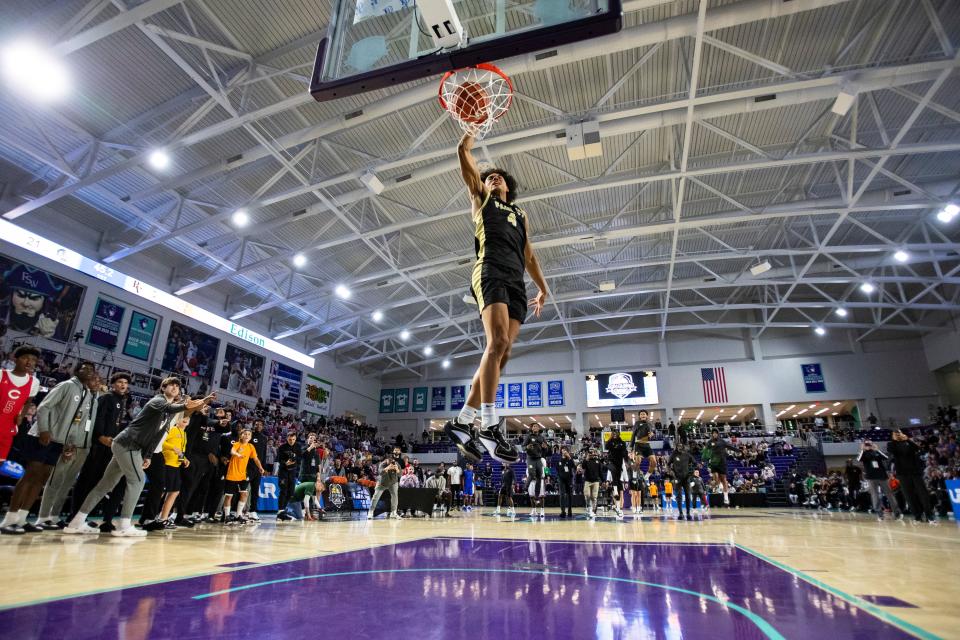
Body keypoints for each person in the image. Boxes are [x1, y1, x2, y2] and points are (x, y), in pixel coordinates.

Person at [443, 132, 548, 464]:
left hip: (517, 283)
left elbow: (529, 256)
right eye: (488, 177)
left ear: (507, 185)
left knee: (501, 355)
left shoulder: (520, 213)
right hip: (489, 270)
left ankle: (461, 423)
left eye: (497, 176)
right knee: (497, 340)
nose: (493, 178)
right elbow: (463, 155)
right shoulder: (481, 200)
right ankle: (488, 423)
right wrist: (468, 136)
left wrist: (543, 287)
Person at [64, 378, 214, 537]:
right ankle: (124, 525)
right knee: (137, 481)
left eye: (178, 386)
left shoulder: (168, 413)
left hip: (129, 446)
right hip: (129, 444)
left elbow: (157, 435)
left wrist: (148, 455)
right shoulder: (157, 401)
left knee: (105, 484)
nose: (175, 388)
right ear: (163, 387)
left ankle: (76, 522)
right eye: (172, 385)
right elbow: (173, 408)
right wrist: (197, 402)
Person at [1, 361, 99, 535]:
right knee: (30, 476)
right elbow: (44, 407)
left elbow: (76, 421)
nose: (89, 372)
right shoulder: (66, 385)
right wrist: (44, 430)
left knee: (41, 479)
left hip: (60, 442)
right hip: (43, 437)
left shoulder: (85, 392)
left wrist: (70, 443)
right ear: (76, 371)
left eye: (92, 370)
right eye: (85, 368)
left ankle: (22, 519)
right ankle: (9, 519)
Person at [69, 370, 131, 532]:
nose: (123, 385)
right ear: (112, 384)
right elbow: (98, 418)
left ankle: (91, 518)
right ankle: (74, 516)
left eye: (125, 383)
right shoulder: (107, 398)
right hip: (99, 445)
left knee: (102, 483)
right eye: (119, 382)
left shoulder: (122, 401)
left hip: (111, 447)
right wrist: (100, 436)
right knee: (87, 481)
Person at [887, 429, 937, 525]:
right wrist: (894, 439)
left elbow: (917, 448)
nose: (898, 435)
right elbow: (891, 450)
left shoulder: (908, 442)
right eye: (895, 434)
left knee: (923, 494)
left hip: (915, 472)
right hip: (902, 474)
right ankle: (917, 516)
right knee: (909, 496)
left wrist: (908, 439)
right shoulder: (891, 444)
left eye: (899, 433)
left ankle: (929, 516)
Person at [0, 346, 40, 465]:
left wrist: (21, 416)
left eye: (33, 360)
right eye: (25, 358)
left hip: (8, 427)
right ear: (15, 359)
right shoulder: (1, 374)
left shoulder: (34, 382)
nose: (29, 362)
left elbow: (28, 402)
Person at [222, 428, 265, 524]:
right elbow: (232, 451)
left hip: (242, 474)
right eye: (245, 434)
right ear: (241, 435)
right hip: (232, 473)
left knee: (244, 494)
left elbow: (256, 459)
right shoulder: (237, 444)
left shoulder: (251, 446)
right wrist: (237, 454)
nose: (247, 436)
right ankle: (227, 516)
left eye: (249, 434)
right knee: (229, 496)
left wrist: (260, 467)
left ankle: (238, 515)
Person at [156, 413, 190, 528]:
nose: (185, 419)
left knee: (175, 492)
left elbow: (180, 450)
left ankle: (163, 518)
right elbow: (162, 442)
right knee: (161, 492)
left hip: (176, 466)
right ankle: (151, 517)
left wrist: (185, 459)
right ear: (177, 420)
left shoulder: (184, 433)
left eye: (187, 418)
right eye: (182, 418)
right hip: (167, 464)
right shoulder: (173, 429)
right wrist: (172, 448)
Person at [857, 440, 901, 522]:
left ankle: (897, 513)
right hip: (871, 478)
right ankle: (880, 514)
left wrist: (878, 450)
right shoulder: (863, 454)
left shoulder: (876, 452)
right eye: (866, 444)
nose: (868, 446)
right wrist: (862, 449)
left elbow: (886, 457)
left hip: (882, 477)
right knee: (875, 496)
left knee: (890, 495)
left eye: (869, 444)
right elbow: (859, 459)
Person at [703, 429, 736, 506]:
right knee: (716, 478)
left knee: (724, 479)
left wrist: (738, 450)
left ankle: (726, 497)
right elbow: (705, 451)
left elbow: (729, 446)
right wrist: (704, 459)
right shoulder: (710, 442)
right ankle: (719, 485)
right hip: (714, 462)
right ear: (712, 434)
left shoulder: (722, 441)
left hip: (722, 462)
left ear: (718, 434)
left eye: (715, 433)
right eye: (713, 433)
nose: (714, 434)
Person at [368, 450, 401, 520]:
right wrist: (387, 468)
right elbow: (380, 473)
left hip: (393, 482)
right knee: (376, 496)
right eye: (389, 461)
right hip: (382, 483)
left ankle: (393, 513)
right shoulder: (382, 464)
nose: (391, 462)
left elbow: (400, 474)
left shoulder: (396, 464)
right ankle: (370, 512)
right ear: (386, 460)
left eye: (392, 460)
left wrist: (397, 469)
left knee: (395, 496)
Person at [245, 418, 268, 521]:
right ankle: (238, 511)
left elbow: (264, 454)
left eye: (260, 425)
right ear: (253, 425)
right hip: (247, 467)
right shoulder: (249, 435)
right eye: (256, 424)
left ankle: (252, 511)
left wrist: (263, 468)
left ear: (262, 427)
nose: (258, 426)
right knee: (243, 490)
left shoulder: (264, 438)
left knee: (255, 491)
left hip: (258, 469)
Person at [275, 431, 301, 521]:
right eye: (290, 439)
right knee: (283, 491)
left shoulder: (298, 446)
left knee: (291, 493)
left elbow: (300, 458)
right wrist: (285, 463)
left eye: (293, 439)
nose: (292, 441)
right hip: (283, 472)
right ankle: (280, 513)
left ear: (295, 439)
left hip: (292, 473)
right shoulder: (282, 447)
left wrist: (295, 458)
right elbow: (278, 459)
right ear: (287, 438)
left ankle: (283, 512)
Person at [523, 423, 547, 516]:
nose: (535, 427)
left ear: (539, 428)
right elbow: (523, 446)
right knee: (531, 475)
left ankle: (541, 509)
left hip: (538, 460)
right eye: (533, 426)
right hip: (531, 459)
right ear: (531, 428)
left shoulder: (541, 438)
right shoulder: (528, 436)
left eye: (537, 426)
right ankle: (525, 489)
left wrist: (545, 448)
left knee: (539, 478)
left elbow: (546, 451)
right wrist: (526, 448)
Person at [604, 425, 627, 520]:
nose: (615, 434)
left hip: (618, 467)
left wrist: (626, 481)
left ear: (619, 434)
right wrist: (607, 480)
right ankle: (615, 491)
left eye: (616, 433)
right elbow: (606, 447)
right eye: (613, 433)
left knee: (618, 492)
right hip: (611, 462)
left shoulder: (622, 443)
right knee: (612, 470)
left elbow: (624, 454)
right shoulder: (610, 442)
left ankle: (618, 509)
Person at [668, 445, 695, 520]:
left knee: (688, 496)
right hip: (677, 479)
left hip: (686, 479)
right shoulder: (673, 455)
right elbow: (668, 465)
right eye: (678, 446)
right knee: (678, 496)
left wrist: (691, 473)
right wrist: (671, 472)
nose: (679, 447)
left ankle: (688, 513)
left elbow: (695, 463)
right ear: (676, 447)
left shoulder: (687, 455)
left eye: (681, 446)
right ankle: (680, 513)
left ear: (683, 447)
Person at [631, 410, 658, 480]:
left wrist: (652, 435)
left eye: (644, 414)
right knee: (638, 462)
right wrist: (631, 447)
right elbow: (633, 435)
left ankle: (646, 477)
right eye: (641, 414)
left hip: (647, 445)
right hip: (638, 445)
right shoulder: (637, 423)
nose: (643, 415)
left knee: (654, 462)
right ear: (639, 416)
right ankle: (634, 474)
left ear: (647, 415)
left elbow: (651, 435)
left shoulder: (650, 424)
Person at [580, 448, 602, 519]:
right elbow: (583, 466)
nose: (592, 453)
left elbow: (600, 472)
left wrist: (604, 481)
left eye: (593, 452)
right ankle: (588, 506)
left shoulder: (598, 461)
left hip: (596, 481)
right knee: (587, 495)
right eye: (590, 452)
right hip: (588, 481)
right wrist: (586, 458)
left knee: (594, 497)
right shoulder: (586, 460)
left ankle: (593, 511)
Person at [554, 447, 575, 518]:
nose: (564, 452)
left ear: (567, 452)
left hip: (569, 479)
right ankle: (563, 511)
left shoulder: (569, 459)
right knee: (562, 495)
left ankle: (570, 511)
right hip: (561, 480)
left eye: (565, 450)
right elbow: (557, 469)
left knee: (570, 495)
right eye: (563, 451)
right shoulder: (559, 460)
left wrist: (569, 457)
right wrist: (560, 477)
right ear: (561, 452)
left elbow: (574, 466)